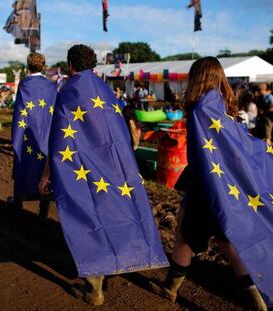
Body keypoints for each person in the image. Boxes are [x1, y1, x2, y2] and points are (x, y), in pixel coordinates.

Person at [148, 57, 273, 310]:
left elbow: (210, 153)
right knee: (227, 240)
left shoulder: (201, 107)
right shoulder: (221, 104)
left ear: (198, 76)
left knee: (184, 237)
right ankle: (257, 301)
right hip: (222, 189)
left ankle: (170, 288)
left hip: (206, 187)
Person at [39, 44, 168, 306]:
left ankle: (94, 288)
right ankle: (119, 261)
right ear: (93, 64)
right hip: (115, 166)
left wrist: (46, 175)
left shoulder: (69, 91)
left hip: (83, 167)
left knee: (87, 216)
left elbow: (59, 138)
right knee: (115, 212)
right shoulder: (106, 91)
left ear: (70, 65)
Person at [8, 52, 57, 218]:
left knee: (23, 160)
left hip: (26, 132)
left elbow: (19, 112)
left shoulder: (24, 85)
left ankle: (18, 201)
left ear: (28, 65)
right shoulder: (52, 86)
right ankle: (43, 208)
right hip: (46, 132)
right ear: (44, 66)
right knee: (45, 163)